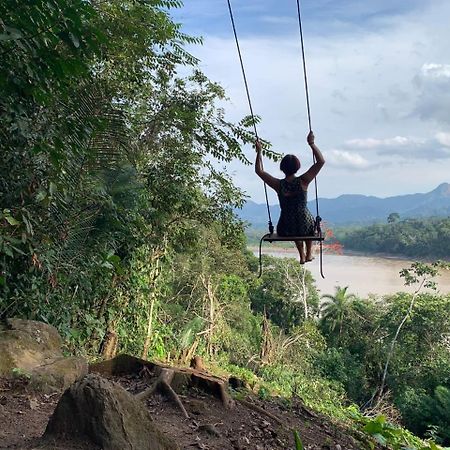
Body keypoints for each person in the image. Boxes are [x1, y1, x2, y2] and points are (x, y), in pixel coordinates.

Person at [255, 131, 325, 264]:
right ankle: (308, 254)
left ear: (282, 168)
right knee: (306, 221)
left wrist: (259, 152)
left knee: (293, 221)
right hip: (304, 225)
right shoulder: (304, 181)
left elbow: (259, 171)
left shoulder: (278, 184)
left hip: (285, 227)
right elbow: (321, 162)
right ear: (298, 167)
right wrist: (312, 144)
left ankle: (302, 255)